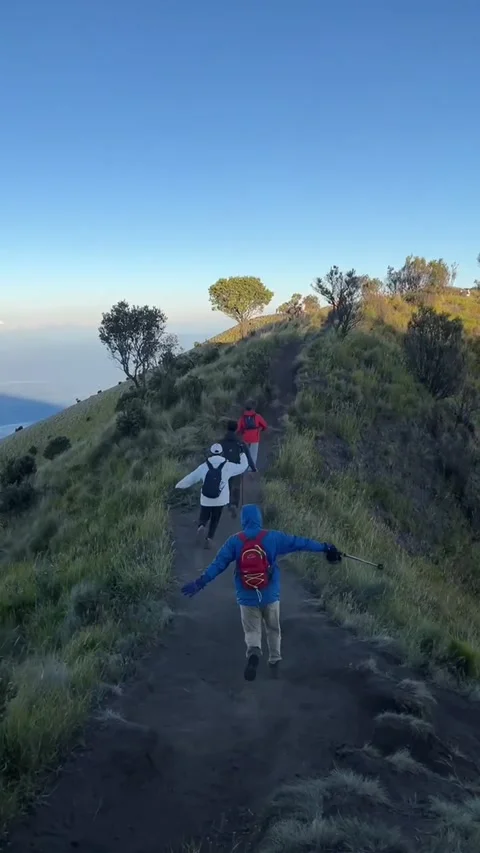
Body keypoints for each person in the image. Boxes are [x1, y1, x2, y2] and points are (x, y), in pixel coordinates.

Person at [181, 503, 341, 680]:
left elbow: (218, 565)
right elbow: (300, 543)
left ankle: (254, 653)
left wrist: (200, 582)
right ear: (259, 518)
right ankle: (275, 661)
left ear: (243, 520)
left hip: (246, 596)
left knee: (252, 631)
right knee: (273, 629)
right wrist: (325, 547)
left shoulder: (234, 541)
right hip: (270, 593)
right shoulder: (273, 537)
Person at [175, 443, 248, 548]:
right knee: (215, 519)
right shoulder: (228, 466)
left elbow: (191, 478)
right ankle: (209, 538)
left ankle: (202, 525)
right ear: (222, 453)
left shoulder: (204, 466)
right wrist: (242, 453)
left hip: (206, 498)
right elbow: (243, 467)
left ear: (210, 453)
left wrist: (178, 486)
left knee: (204, 514)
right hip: (220, 499)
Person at [219, 419, 257, 518]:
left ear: (227, 428)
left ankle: (228, 504)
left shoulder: (220, 442)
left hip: (224, 468)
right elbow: (248, 457)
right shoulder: (240, 443)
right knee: (236, 487)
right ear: (236, 429)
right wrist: (253, 468)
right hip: (236, 468)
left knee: (225, 486)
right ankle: (234, 504)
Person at [237, 401, 267, 468]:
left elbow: (238, 428)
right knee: (253, 454)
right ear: (253, 409)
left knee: (245, 453)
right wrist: (260, 429)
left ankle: (244, 467)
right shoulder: (257, 416)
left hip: (245, 437)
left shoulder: (242, 418)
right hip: (255, 437)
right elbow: (265, 425)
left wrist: (241, 433)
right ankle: (251, 469)